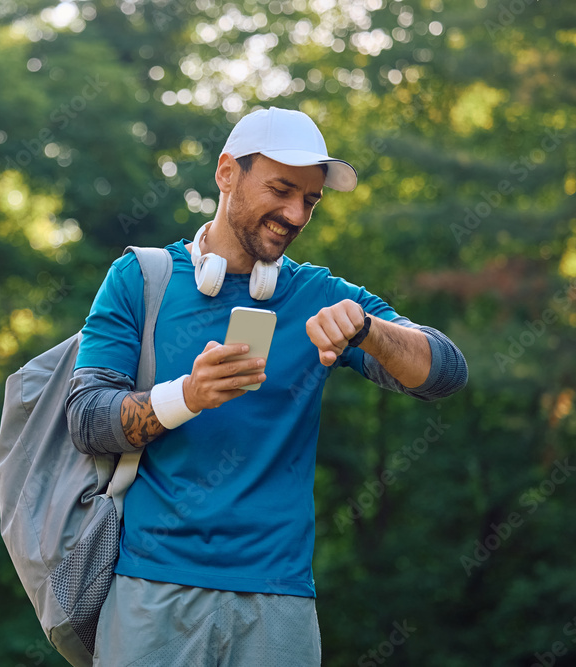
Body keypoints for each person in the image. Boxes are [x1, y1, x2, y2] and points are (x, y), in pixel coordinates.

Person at [66, 106, 468, 666]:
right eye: (281, 189)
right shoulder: (140, 279)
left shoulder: (320, 295)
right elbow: (86, 420)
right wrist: (188, 396)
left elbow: (446, 374)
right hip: (152, 592)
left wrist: (369, 331)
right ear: (227, 172)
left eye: (310, 200)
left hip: (280, 603)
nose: (295, 213)